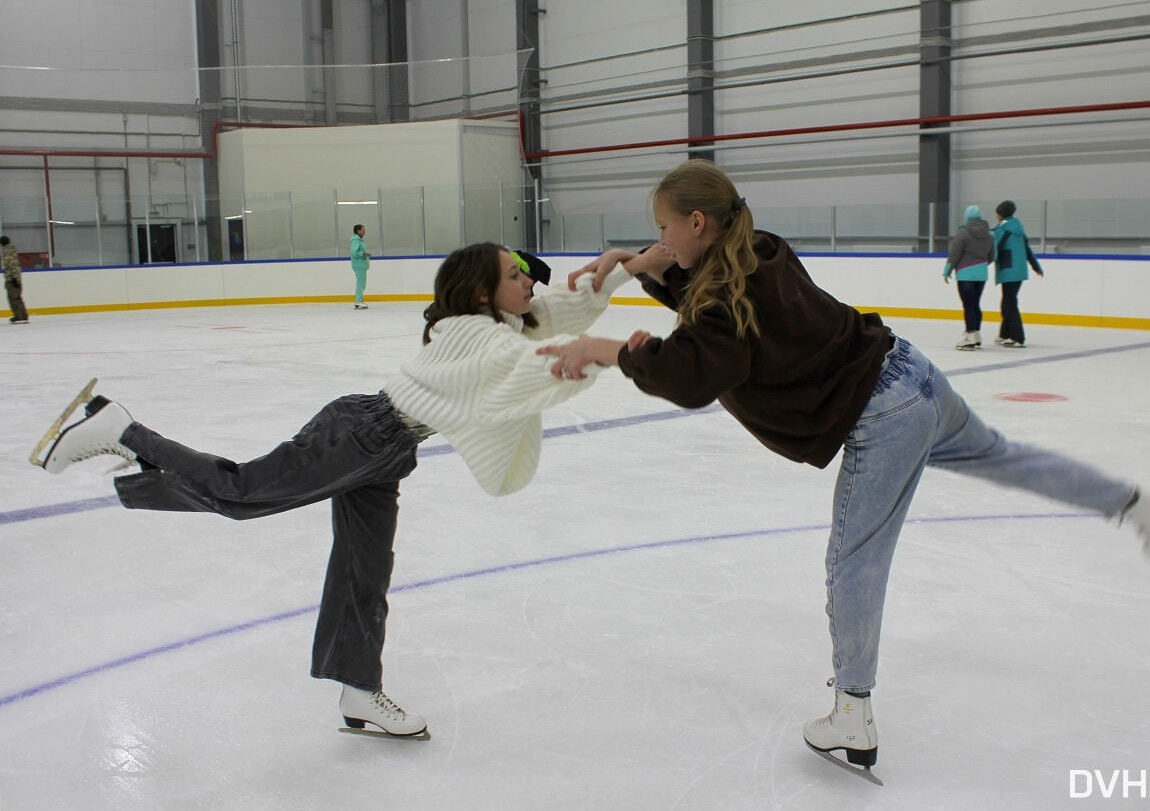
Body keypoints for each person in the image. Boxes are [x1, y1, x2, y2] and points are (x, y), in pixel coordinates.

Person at [537, 159, 1150, 777]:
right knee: (1006, 458)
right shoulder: (759, 246)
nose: (659, 238)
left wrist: (608, 348)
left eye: (664, 226)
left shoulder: (720, 306)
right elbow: (702, 289)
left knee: (853, 559)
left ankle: (852, 715)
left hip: (882, 415)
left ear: (696, 223)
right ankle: (1145, 509)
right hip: (914, 373)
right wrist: (635, 263)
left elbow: (691, 371)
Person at [34, 242, 664, 738]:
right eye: (516, 272)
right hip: (362, 436)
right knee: (242, 494)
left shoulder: (489, 320)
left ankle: (359, 691)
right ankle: (126, 430)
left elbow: (548, 317)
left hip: (383, 451)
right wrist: (600, 350)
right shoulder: (477, 334)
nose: (531, 279)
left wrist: (626, 268)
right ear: (482, 292)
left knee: (365, 571)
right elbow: (527, 359)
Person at [991, 200, 1043, 348]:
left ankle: (1017, 337)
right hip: (1019, 270)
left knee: (1009, 303)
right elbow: (1027, 249)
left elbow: (996, 249)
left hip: (1009, 269)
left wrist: (982, 262)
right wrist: (1036, 266)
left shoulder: (1004, 229)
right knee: (1008, 301)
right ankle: (1005, 334)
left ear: (1000, 214)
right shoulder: (1018, 227)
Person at [943, 205, 993, 350]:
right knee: (975, 304)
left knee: (968, 305)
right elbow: (992, 256)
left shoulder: (963, 233)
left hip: (965, 273)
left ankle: (970, 336)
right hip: (981, 274)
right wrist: (980, 265)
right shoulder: (989, 235)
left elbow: (955, 253)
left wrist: (947, 270)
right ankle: (976, 333)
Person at [2, 235, 30, 324]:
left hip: (12, 278)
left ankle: (20, 315)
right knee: (15, 297)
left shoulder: (8, 251)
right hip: (13, 277)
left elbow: (12, 265)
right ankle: (22, 314)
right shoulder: (10, 250)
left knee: (14, 297)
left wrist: (14, 277)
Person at [350, 224, 370, 309]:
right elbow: (354, 253)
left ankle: (360, 300)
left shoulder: (359, 240)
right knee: (360, 283)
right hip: (359, 264)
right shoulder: (356, 241)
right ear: (358, 231)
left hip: (361, 264)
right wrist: (363, 253)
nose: (365, 231)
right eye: (363, 229)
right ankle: (358, 302)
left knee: (362, 284)